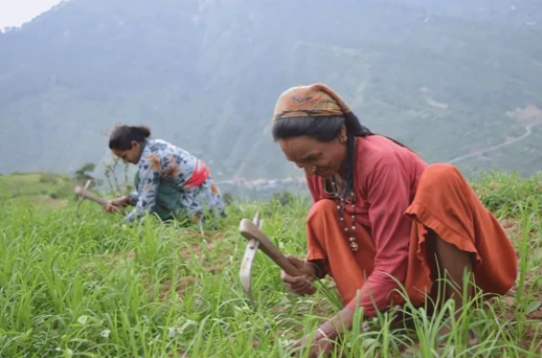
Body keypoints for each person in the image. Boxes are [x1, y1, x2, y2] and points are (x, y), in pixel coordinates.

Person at [271, 83, 518, 356]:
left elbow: (394, 261)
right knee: (323, 211)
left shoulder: (381, 162)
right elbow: (343, 235)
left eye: (312, 158)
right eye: (298, 164)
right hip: (401, 281)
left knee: (440, 179)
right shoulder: (322, 171)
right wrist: (311, 270)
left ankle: (455, 322)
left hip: (439, 271)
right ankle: (391, 314)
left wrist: (329, 329)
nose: (310, 170)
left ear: (341, 133)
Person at [105, 125, 226, 225]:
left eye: (124, 156)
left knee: (140, 179)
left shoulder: (150, 160)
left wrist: (122, 225)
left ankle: (179, 221)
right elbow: (149, 193)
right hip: (213, 204)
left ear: (135, 145)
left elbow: (146, 205)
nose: (125, 161)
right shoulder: (155, 144)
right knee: (144, 179)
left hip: (202, 214)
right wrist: (126, 200)